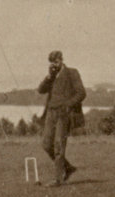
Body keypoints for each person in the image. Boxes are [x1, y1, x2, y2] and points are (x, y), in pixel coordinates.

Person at [37, 49, 86, 186]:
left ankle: (58, 179)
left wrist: (68, 105)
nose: (54, 64)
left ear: (62, 59)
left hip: (64, 114)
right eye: (52, 62)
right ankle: (68, 168)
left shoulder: (72, 73)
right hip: (50, 114)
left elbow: (81, 93)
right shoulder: (51, 76)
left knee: (59, 146)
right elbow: (40, 90)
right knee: (46, 145)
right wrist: (49, 77)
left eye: (56, 61)